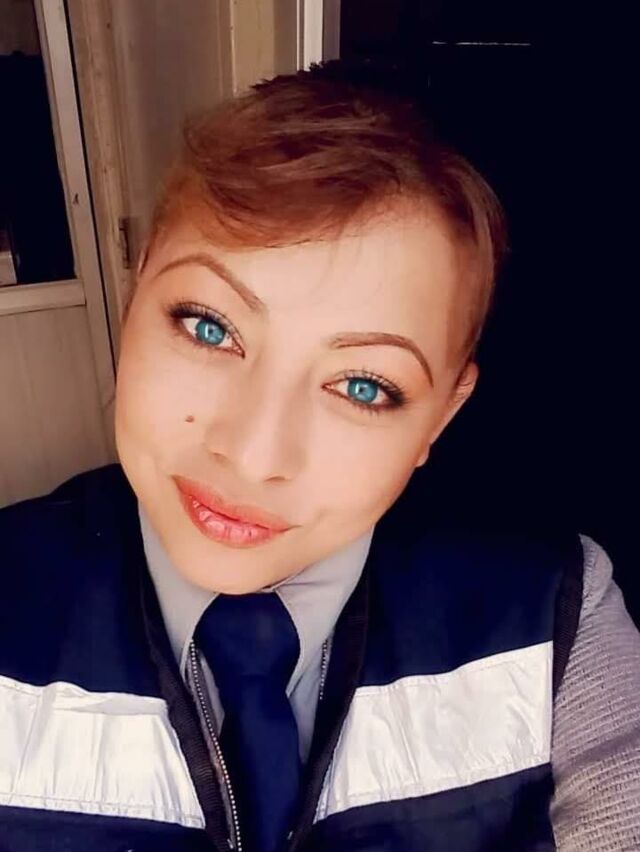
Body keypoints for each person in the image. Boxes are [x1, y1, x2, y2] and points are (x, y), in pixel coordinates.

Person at [0, 60, 638, 852]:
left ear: (443, 413)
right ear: (136, 295)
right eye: (209, 327)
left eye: (363, 386)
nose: (252, 453)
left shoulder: (557, 616)